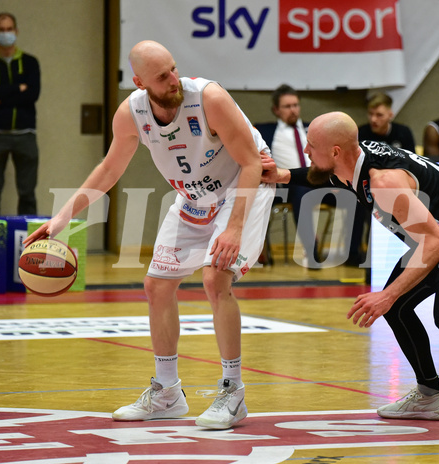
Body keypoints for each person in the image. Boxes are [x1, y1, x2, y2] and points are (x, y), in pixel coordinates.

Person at [23, 40, 274, 430]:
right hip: (194, 198)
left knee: (215, 278)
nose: (174, 80)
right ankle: (167, 393)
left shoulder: (209, 98)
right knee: (156, 286)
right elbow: (109, 170)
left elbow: (250, 162)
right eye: (162, 76)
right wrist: (61, 221)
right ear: (140, 82)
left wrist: (235, 227)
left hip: (244, 190)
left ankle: (233, 391)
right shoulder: (131, 113)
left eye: (174, 69)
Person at [261, 111, 439, 452]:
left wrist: (386, 294)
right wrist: (284, 174)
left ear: (336, 151)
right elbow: (322, 175)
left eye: (311, 145)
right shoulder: (351, 161)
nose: (305, 149)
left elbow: (435, 243)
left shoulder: (383, 181)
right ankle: (430, 396)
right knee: (396, 307)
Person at [0, 12, 40, 215]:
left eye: (9, 29)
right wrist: (18, 88)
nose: (6, 33)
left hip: (25, 134)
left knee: (28, 193)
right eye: (2, 30)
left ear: (16, 31)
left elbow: (32, 94)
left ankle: (30, 243)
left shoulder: (30, 62)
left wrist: (0, 93)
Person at [255, 84, 322, 266]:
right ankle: (310, 251)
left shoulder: (314, 129)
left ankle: (355, 254)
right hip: (287, 185)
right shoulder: (266, 132)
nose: (293, 110)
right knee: (297, 190)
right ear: (276, 110)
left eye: (295, 105)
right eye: (287, 106)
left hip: (321, 182)